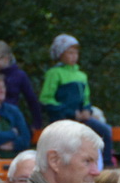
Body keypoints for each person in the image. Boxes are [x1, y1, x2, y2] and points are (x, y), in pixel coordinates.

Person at [38, 37, 112, 165]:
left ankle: (106, 165)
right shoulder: (54, 73)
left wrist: (86, 110)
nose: (74, 56)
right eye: (70, 53)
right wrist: (70, 112)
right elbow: (46, 99)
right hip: (61, 119)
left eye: (76, 53)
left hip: (81, 119)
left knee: (105, 130)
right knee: (69, 146)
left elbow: (86, 97)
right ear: (60, 54)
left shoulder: (81, 75)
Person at [0, 42, 41, 128]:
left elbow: (31, 99)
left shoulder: (19, 75)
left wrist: (37, 123)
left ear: (6, 58)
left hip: (11, 117)